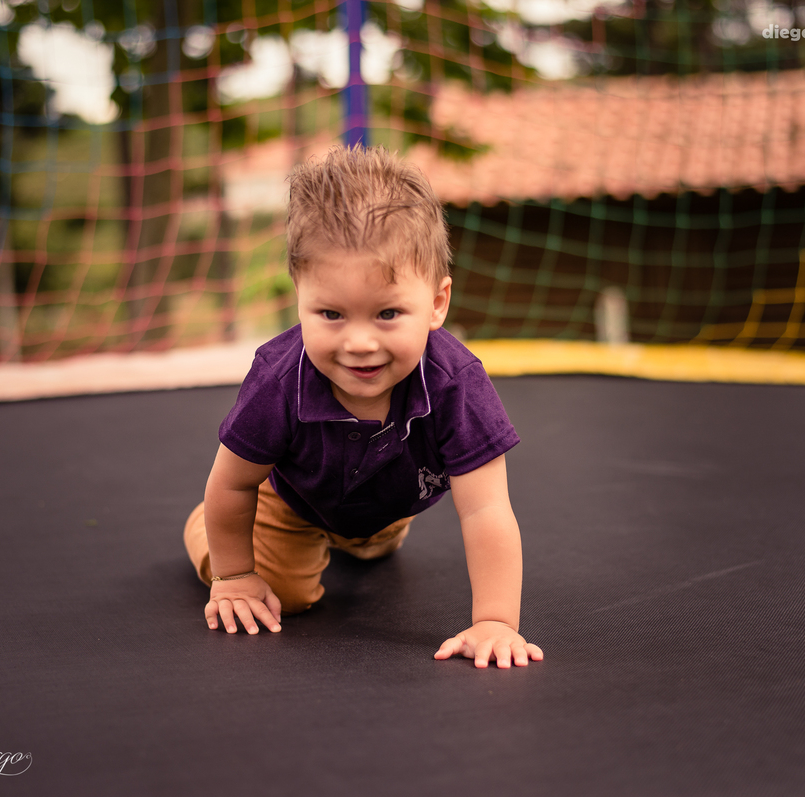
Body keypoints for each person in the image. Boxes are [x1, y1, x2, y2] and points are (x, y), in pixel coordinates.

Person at [183, 144, 543, 669]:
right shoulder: (280, 378)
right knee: (286, 593)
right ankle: (203, 533)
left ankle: (367, 536)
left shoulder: (455, 383)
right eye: (331, 313)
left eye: (388, 313)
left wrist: (495, 621)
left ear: (437, 303)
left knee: (373, 548)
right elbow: (232, 482)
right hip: (292, 503)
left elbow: (486, 508)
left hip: (388, 505)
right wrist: (234, 575)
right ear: (298, 297)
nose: (358, 342)